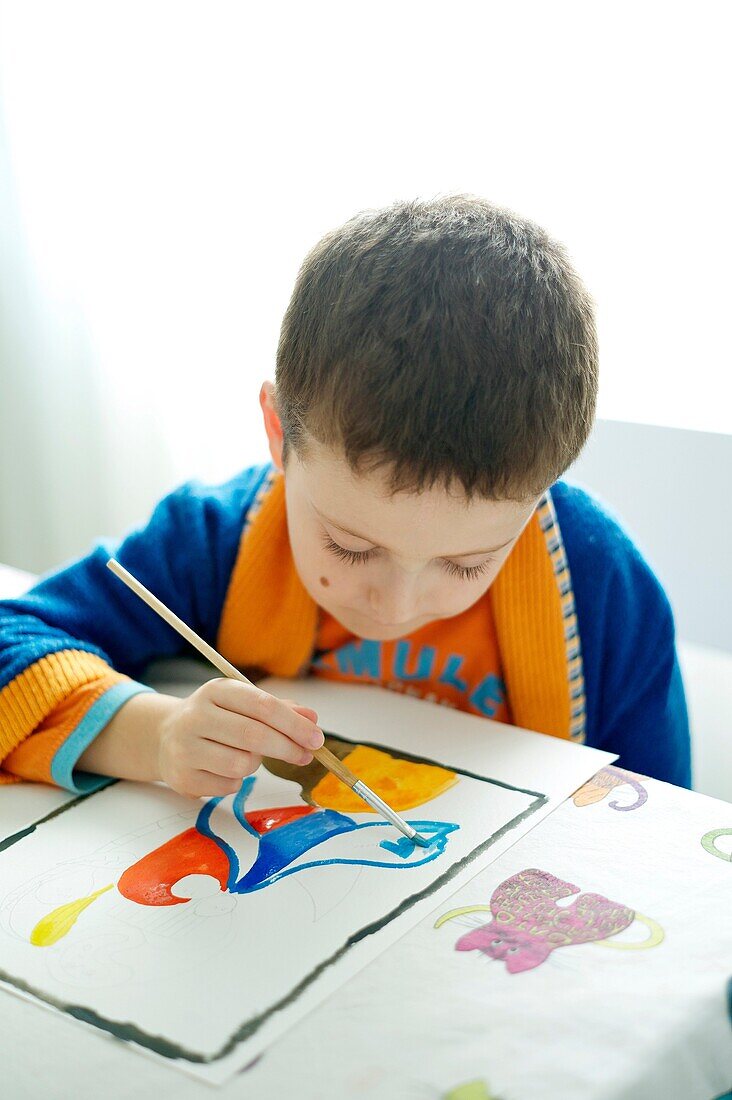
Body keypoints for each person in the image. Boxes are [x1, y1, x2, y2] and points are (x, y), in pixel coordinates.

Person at [0, 195, 691, 799]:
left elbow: (660, 833)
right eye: (351, 545)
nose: (394, 606)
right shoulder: (214, 540)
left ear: (544, 491)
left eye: (465, 564)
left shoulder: (602, 585)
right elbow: (13, 639)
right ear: (279, 434)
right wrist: (156, 736)